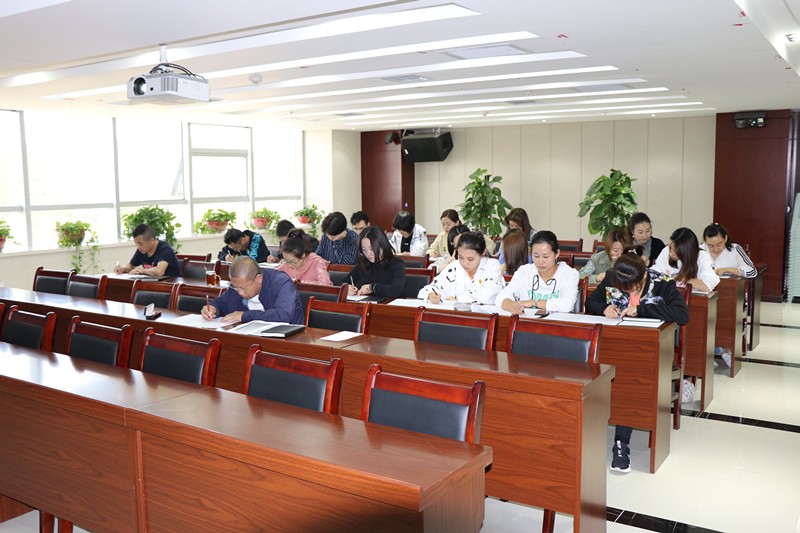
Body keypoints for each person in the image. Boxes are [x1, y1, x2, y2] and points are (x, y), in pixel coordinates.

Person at [584, 250, 689, 473]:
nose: (628, 291)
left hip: (651, 352)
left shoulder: (662, 283)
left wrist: (642, 309)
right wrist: (604, 308)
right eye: (623, 288)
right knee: (600, 370)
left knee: (628, 379)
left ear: (644, 276)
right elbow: (590, 303)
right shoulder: (612, 276)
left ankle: (621, 442)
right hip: (617, 347)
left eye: (632, 287)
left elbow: (682, 314)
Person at [702, 222, 757, 366]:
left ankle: (722, 350)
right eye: (710, 245)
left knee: (725, 317)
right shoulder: (700, 250)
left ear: (725, 238)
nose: (715, 249)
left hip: (730, 296)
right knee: (701, 316)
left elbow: (752, 271)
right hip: (708, 294)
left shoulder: (734, 249)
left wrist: (729, 270)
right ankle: (712, 353)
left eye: (719, 244)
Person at [202, 256, 304, 324]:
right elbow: (222, 303)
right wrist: (213, 308)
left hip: (288, 340)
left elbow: (283, 315)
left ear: (258, 278)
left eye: (243, 288)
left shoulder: (282, 282)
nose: (240, 293)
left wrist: (244, 316)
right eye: (236, 287)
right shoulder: (239, 284)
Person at [495, 230, 579, 314]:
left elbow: (567, 305)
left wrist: (534, 302)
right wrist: (510, 304)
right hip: (527, 321)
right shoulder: (524, 272)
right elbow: (501, 297)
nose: (540, 261)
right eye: (536, 256)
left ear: (557, 254)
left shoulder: (569, 274)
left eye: (546, 256)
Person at [418, 232, 504, 305]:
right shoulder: (455, 266)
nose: (465, 263)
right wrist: (431, 295)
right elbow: (430, 288)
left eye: (470, 259)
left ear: (482, 254)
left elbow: (488, 297)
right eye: (461, 257)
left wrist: (457, 300)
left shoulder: (492, 266)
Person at [652, 227, 720, 292]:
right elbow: (654, 275)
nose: (671, 253)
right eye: (671, 248)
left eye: (676, 252)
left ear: (686, 252)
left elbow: (707, 285)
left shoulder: (702, 256)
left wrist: (683, 278)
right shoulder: (666, 251)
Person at [347, 226, 405, 298]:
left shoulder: (396, 263)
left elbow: (396, 290)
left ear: (382, 245)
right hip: (364, 303)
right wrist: (347, 288)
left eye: (371, 248)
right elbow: (342, 282)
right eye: (364, 249)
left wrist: (372, 287)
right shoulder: (364, 263)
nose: (368, 254)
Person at [114, 223, 182, 277]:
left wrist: (142, 271)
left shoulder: (165, 249)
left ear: (151, 240)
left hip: (170, 286)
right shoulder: (142, 250)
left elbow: (159, 271)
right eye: (136, 244)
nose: (138, 247)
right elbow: (131, 265)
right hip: (151, 285)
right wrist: (122, 268)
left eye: (140, 244)